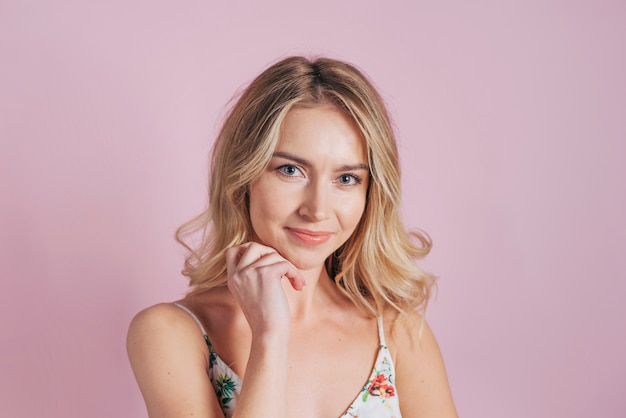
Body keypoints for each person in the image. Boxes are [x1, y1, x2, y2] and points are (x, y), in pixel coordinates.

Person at [127, 56, 457, 418]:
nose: (317, 209)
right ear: (244, 176)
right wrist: (270, 334)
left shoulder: (400, 335)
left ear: (370, 192)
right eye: (291, 170)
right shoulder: (172, 333)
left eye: (346, 179)